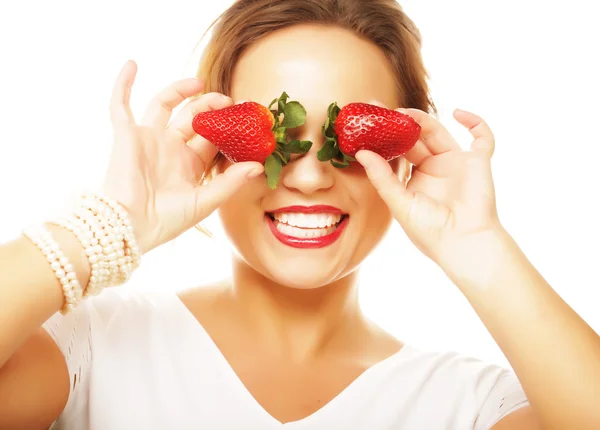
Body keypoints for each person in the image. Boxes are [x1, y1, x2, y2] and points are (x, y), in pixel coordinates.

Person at [0, 0, 599, 428]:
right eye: (273, 136)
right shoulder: (91, 351)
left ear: (407, 157)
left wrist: (480, 249)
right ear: (212, 153)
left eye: (349, 142)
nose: (310, 176)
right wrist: (107, 226)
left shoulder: (466, 405)